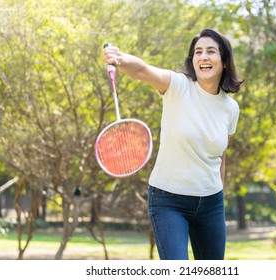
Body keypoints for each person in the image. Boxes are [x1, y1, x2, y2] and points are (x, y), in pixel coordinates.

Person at [103, 29, 243, 260]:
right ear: (192, 60)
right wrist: (120, 59)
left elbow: (221, 156)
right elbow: (142, 70)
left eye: (211, 51)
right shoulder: (178, 86)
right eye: (198, 52)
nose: (203, 57)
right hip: (169, 201)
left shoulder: (231, 108)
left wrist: (217, 192)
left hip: (211, 204)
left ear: (225, 61)